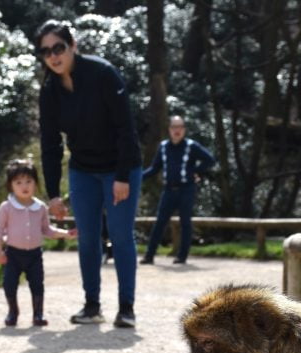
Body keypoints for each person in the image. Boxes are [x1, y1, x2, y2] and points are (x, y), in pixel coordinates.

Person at [35, 20, 143, 328]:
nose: (53, 56)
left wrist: (122, 176)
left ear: (73, 46)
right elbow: (51, 145)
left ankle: (126, 308)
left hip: (121, 166)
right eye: (46, 51)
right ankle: (92, 305)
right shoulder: (49, 91)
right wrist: (53, 193)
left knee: (121, 236)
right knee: (87, 240)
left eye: (59, 47)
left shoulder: (103, 74)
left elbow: (126, 128)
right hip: (83, 170)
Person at [0, 158, 77, 328]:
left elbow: (47, 230)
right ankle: (12, 312)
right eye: (18, 182)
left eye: (29, 181)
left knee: (37, 284)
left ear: (36, 184)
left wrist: (66, 234)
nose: (24, 186)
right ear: (11, 186)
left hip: (34, 254)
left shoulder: (40, 208)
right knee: (9, 283)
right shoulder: (6, 207)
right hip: (13, 253)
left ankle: (38, 314)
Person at [140, 115, 215, 265]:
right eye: (174, 127)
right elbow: (155, 168)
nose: (177, 130)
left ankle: (182, 256)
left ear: (184, 130)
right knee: (160, 222)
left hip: (186, 189)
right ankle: (149, 256)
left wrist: (197, 172)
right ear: (169, 130)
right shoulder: (163, 147)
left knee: (185, 222)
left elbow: (210, 159)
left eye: (180, 127)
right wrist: (137, 177)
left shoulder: (191, 146)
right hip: (168, 190)